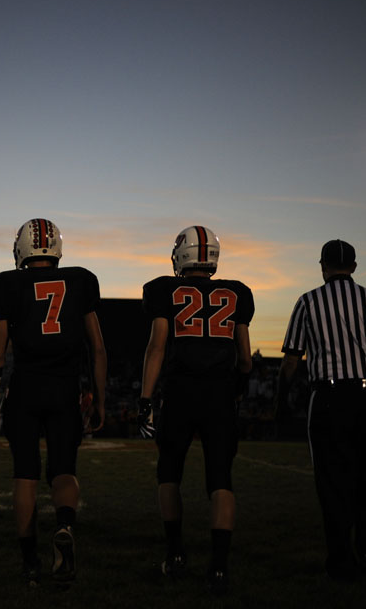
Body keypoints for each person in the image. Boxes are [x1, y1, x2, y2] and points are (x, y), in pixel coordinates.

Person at [0, 218, 107, 587]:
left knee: (25, 474)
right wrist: (99, 399)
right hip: (64, 388)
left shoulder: (7, 285)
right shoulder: (80, 281)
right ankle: (64, 525)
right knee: (64, 470)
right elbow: (97, 347)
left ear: (21, 248)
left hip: (25, 389)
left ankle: (30, 560)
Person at [278, 239, 366, 581]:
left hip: (329, 395)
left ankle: (340, 560)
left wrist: (282, 397)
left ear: (322, 266)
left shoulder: (309, 302)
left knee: (331, 479)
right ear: (354, 266)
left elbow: (292, 360)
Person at [138, 226, 253, 595]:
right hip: (219, 393)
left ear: (181, 255)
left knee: (168, 472)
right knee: (220, 477)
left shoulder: (163, 289)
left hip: (181, 391)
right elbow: (246, 357)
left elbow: (157, 347)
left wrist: (145, 398)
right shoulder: (237, 293)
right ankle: (219, 567)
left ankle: (175, 554)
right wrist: (237, 383)